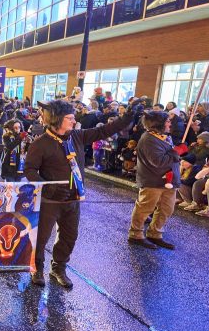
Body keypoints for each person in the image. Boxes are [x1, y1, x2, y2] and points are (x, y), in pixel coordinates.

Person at [25, 99, 137, 289]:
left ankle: (58, 268)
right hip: (50, 201)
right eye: (69, 118)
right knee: (41, 237)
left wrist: (128, 117)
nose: (73, 120)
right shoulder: (41, 144)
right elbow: (29, 170)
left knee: (70, 236)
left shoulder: (76, 136)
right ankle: (37, 268)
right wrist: (47, 186)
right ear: (57, 119)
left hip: (73, 199)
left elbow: (104, 131)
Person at [128, 111, 180, 250]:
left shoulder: (164, 137)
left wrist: (174, 153)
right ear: (158, 124)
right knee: (145, 208)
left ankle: (155, 233)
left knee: (166, 209)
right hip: (153, 180)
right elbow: (158, 161)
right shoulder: (149, 139)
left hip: (169, 181)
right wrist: (175, 154)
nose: (170, 123)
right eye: (167, 121)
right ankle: (136, 234)